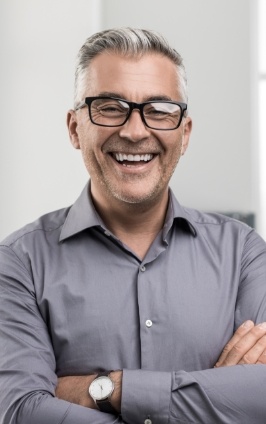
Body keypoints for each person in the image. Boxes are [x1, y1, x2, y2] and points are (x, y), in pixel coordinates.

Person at [1, 27, 266, 424]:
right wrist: (212, 399)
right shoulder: (18, 263)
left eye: (159, 110)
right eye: (109, 107)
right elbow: (22, 411)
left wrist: (107, 388)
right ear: (75, 128)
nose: (135, 131)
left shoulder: (243, 252)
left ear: (185, 133)